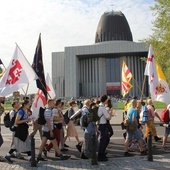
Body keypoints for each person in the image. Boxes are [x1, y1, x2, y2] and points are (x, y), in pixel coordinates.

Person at [97, 94, 111, 162]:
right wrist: (110, 114)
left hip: (100, 125)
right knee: (104, 140)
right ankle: (100, 155)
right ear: (105, 100)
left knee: (106, 139)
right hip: (102, 125)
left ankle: (102, 152)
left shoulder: (99, 106)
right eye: (107, 100)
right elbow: (108, 117)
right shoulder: (102, 108)